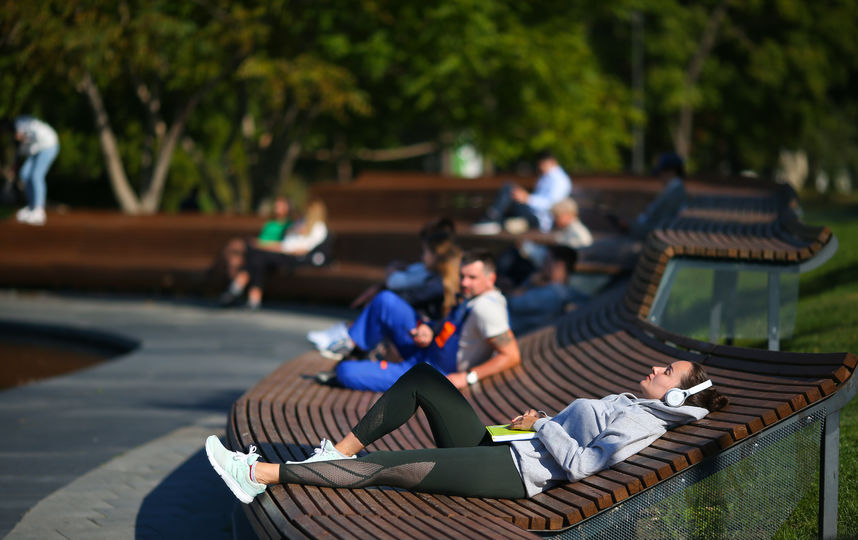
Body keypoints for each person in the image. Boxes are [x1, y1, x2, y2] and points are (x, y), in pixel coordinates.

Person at [205, 360, 729, 503]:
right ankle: (329, 454)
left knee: (391, 467)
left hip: (516, 470)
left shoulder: (640, 423)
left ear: (680, 395)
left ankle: (257, 474)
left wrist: (543, 425)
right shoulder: (634, 403)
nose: (658, 371)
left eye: (669, 373)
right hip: (509, 445)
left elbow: (578, 465)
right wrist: (536, 425)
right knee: (424, 379)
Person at [315, 250, 520, 392]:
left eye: (472, 278)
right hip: (428, 349)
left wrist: (467, 377)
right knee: (386, 301)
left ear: (491, 278)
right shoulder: (473, 297)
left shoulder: (488, 308)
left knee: (345, 372)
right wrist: (430, 330)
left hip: (432, 373)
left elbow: (511, 356)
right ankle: (355, 347)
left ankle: (357, 360)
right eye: (462, 276)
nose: (464, 283)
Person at [309, 223, 462, 354]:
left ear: (436, 256)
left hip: (425, 340)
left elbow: (409, 297)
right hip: (425, 334)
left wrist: (383, 294)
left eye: (425, 252)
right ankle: (350, 338)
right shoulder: (438, 278)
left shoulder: (438, 283)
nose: (422, 257)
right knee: (385, 301)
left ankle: (350, 341)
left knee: (386, 301)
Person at [220, 199, 328, 309]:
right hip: (284, 253)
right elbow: (286, 241)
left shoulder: (319, 228)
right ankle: (252, 298)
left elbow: (303, 249)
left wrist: (280, 248)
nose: (304, 213)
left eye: (307, 211)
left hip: (295, 258)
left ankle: (237, 290)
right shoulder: (300, 223)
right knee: (258, 258)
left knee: (258, 256)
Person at [472, 150, 572, 235]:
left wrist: (527, 198)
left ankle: (491, 218)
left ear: (551, 162)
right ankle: (493, 220)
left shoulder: (560, 180)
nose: (540, 167)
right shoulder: (546, 177)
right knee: (511, 190)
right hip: (533, 213)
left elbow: (553, 205)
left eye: (542, 164)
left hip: (541, 220)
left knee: (509, 189)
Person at [507, 245, 587, 335]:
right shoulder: (568, 292)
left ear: (559, 265)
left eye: (546, 261)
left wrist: (529, 284)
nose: (542, 265)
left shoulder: (553, 293)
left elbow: (512, 302)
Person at [219, 196, 293, 281]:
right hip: (259, 248)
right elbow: (262, 238)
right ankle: (232, 277)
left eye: (280, 206)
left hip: (268, 252)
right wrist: (257, 242)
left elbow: (284, 245)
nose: (277, 208)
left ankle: (232, 278)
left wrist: (260, 244)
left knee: (242, 252)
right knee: (236, 245)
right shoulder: (270, 223)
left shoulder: (288, 225)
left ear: (287, 208)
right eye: (276, 205)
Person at [4, 116, 60, 226]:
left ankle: (39, 211)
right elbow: (21, 150)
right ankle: (31, 207)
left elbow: (28, 137)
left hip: (49, 145)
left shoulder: (22, 124)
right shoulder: (19, 130)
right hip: (38, 149)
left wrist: (24, 137)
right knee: (24, 174)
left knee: (36, 176)